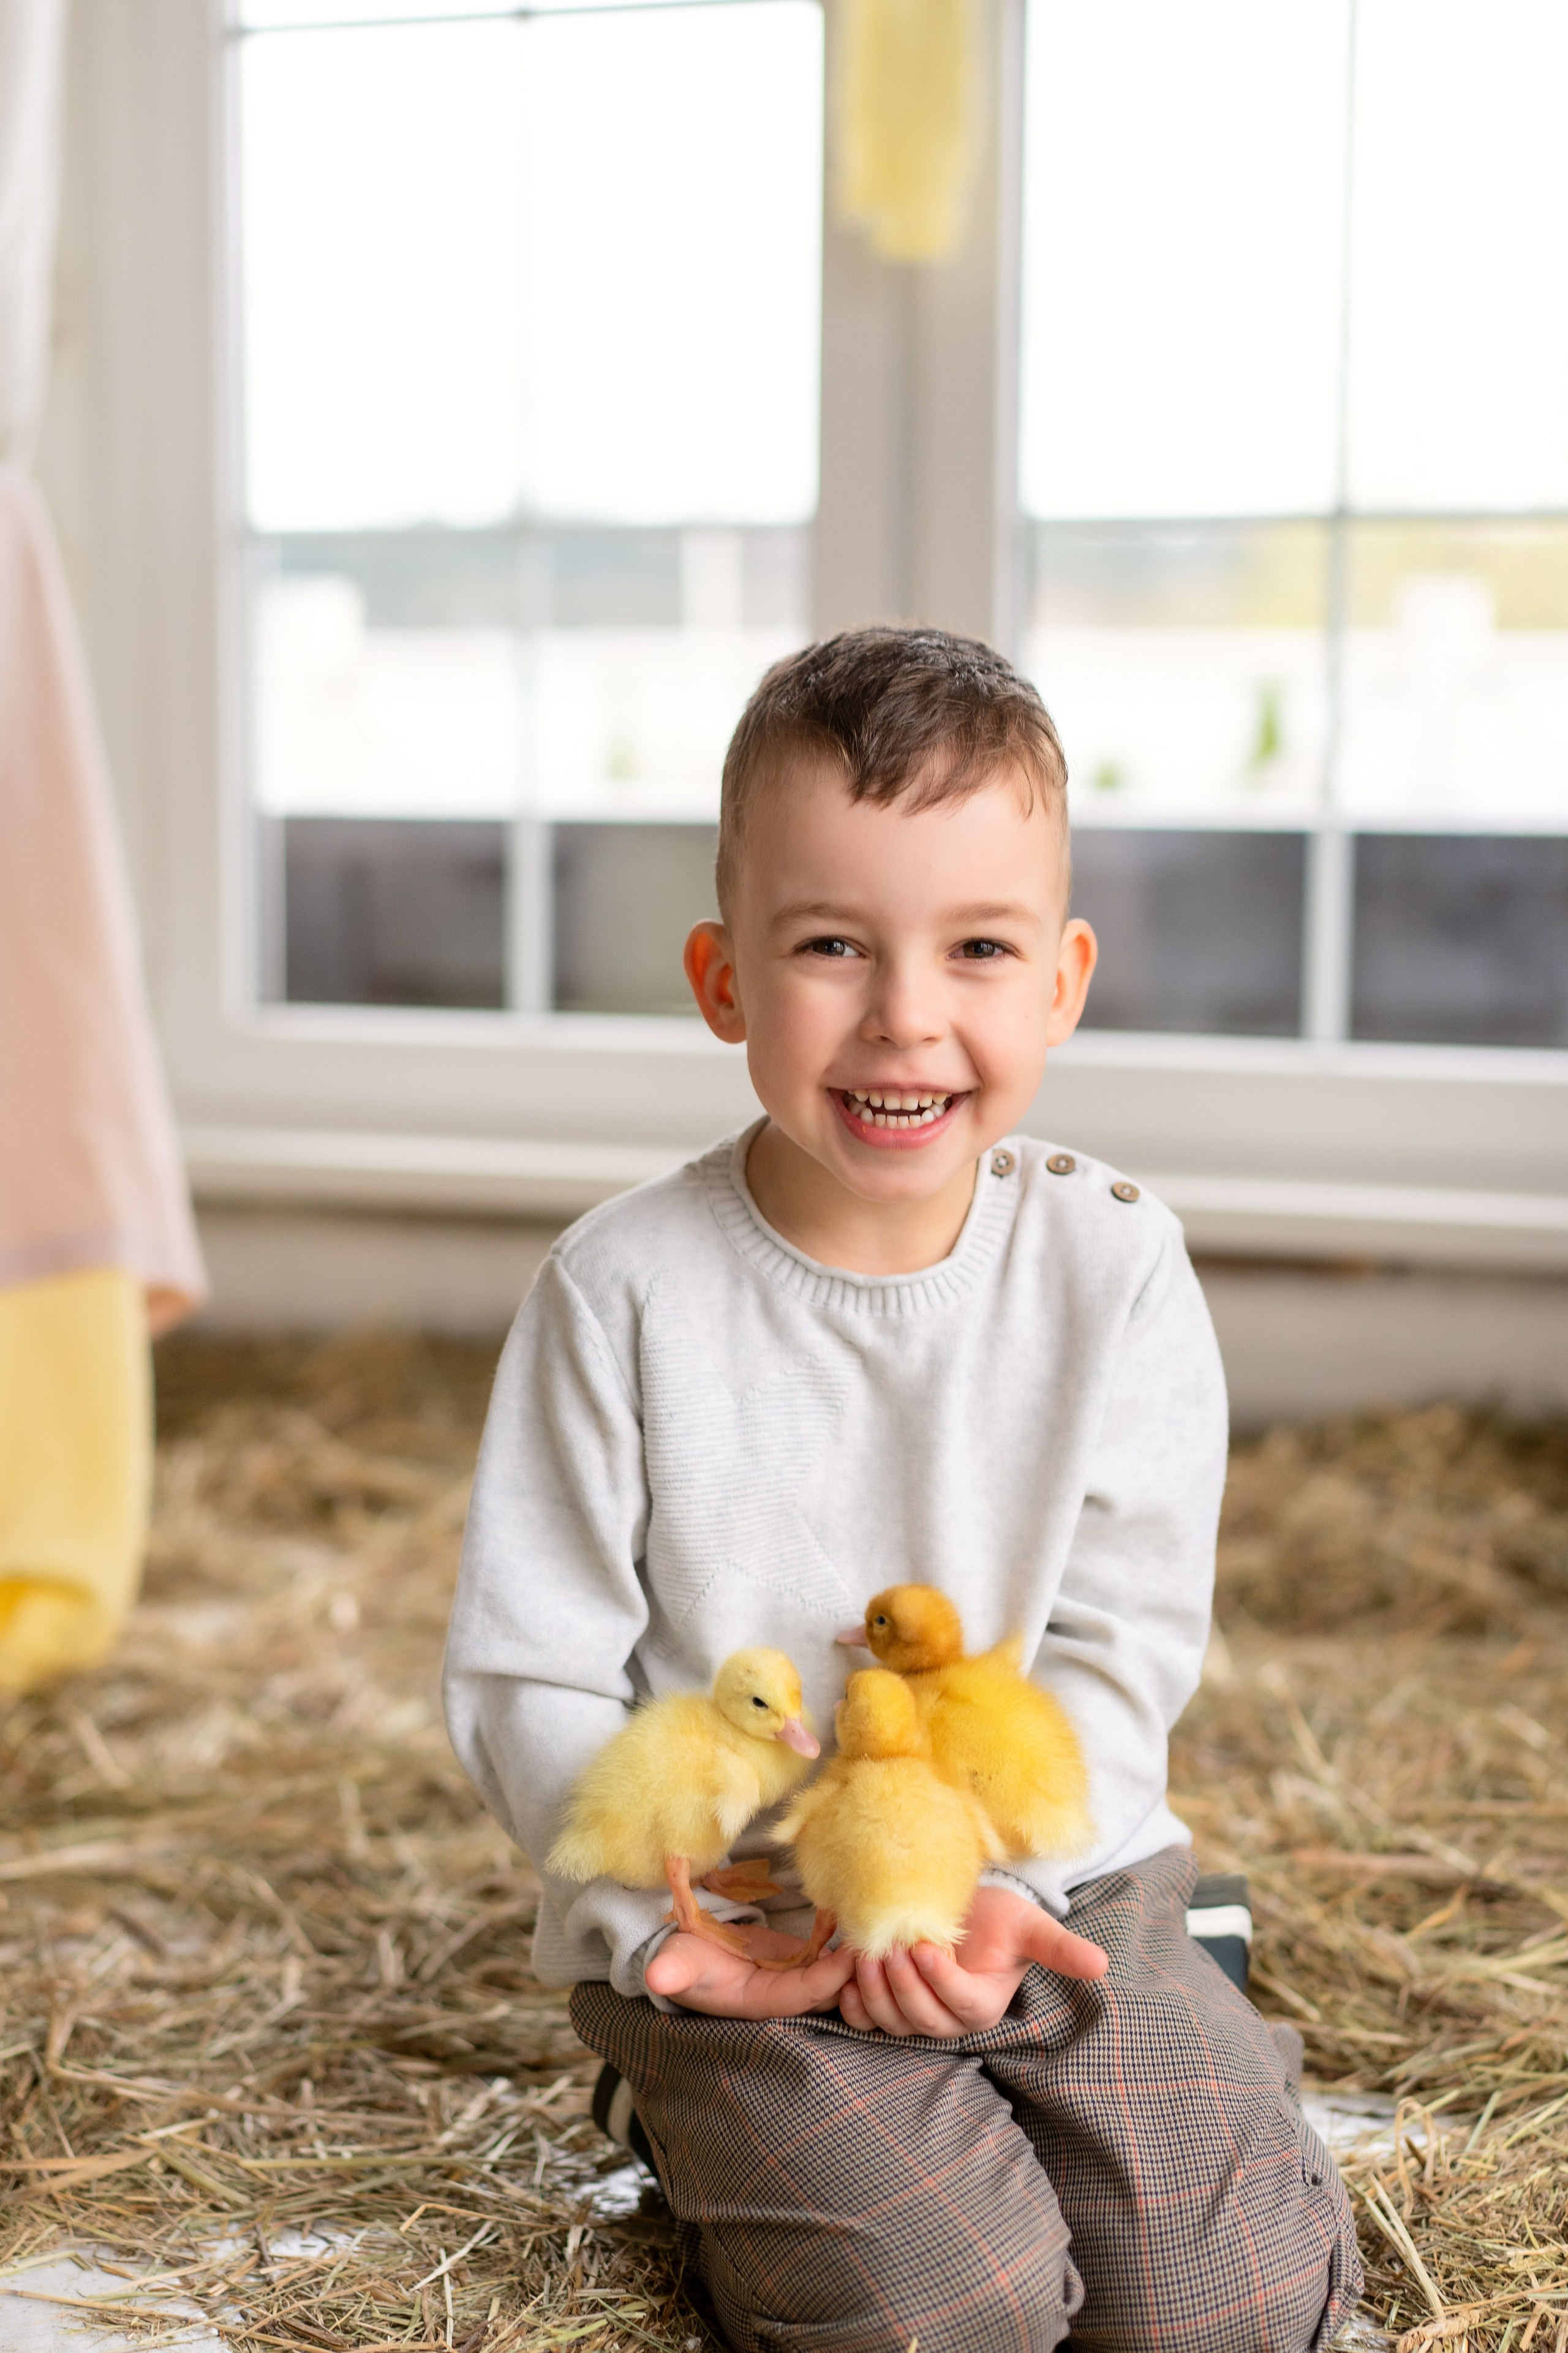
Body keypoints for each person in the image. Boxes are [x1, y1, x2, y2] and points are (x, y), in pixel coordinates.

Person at [443, 628, 1362, 2353]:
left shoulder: (1115, 1267)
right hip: (747, 1923)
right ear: (724, 979)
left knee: (1224, 2303)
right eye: (832, 946)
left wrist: (1003, 1876)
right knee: (952, 2302)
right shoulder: (621, 1287)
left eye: (980, 948)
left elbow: (1119, 1635)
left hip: (1045, 1878)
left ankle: (1178, 1998)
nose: (907, 1016)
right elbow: (531, 1674)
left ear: (1064, 981)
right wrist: (680, 1936)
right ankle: (692, 2111)